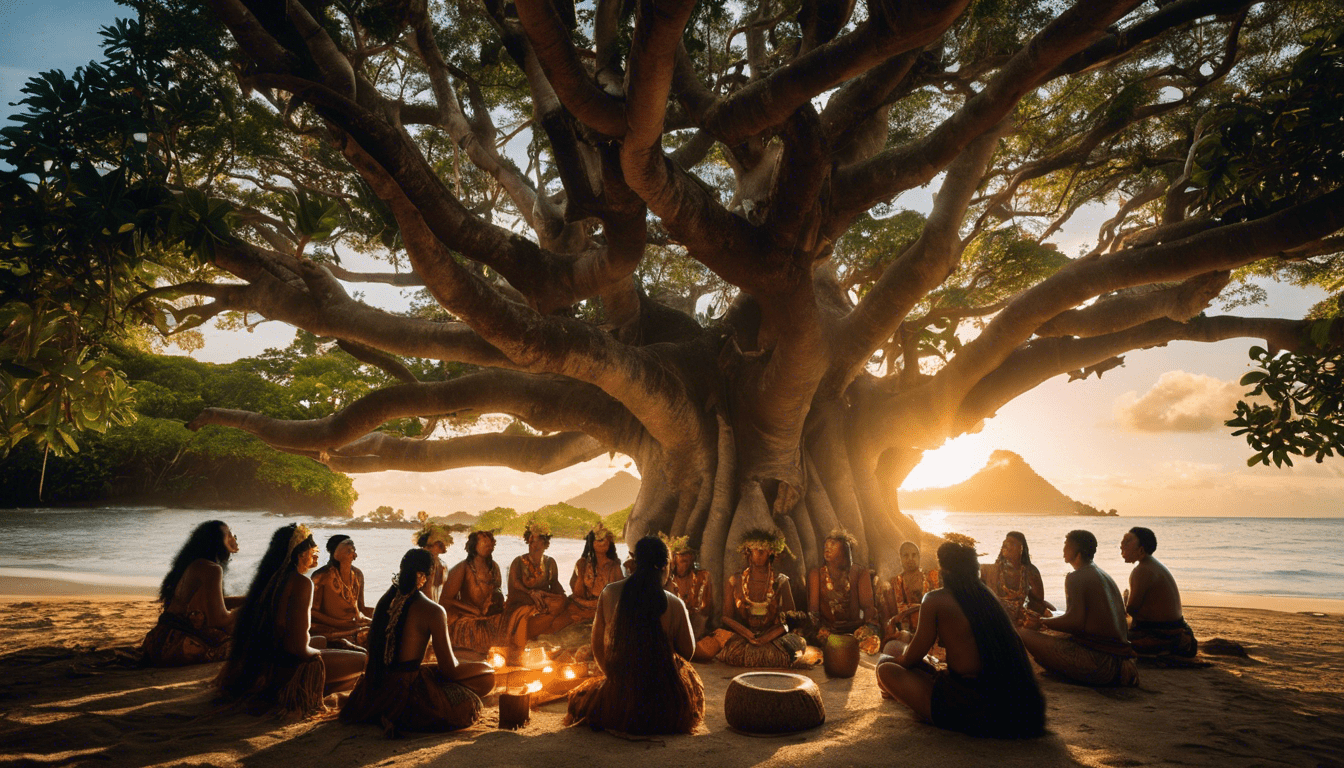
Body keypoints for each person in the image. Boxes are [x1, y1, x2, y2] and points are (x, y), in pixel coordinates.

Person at [876, 539, 1046, 739]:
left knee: (885, 668)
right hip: (1013, 705)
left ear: (944, 571)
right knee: (922, 670)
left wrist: (891, 669)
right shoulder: (988, 597)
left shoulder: (935, 599)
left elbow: (910, 658)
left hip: (970, 704)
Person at [341, 549, 495, 736]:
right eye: (436, 576)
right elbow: (449, 669)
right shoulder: (433, 610)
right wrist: (483, 667)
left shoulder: (384, 601)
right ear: (425, 577)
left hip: (373, 690)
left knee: (429, 670)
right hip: (406, 696)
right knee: (485, 679)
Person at [217, 524, 367, 717]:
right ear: (300, 554)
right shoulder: (302, 583)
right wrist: (324, 652)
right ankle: (311, 690)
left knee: (323, 640)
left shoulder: (274, 579)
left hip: (265, 661)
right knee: (363, 660)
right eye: (312, 549)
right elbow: (300, 648)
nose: (316, 553)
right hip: (286, 668)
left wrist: (332, 643)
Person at [566, 536, 705, 734]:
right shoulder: (674, 603)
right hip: (663, 702)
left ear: (634, 562)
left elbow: (598, 647)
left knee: (581, 701)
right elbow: (688, 652)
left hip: (619, 695)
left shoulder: (609, 593)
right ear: (666, 566)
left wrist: (614, 680)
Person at [1018, 529, 1139, 687]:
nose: (1063, 549)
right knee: (1047, 630)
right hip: (1121, 661)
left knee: (1023, 634)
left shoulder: (1076, 577)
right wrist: (1049, 619)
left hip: (1101, 664)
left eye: (1067, 545)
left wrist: (1042, 622)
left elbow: (1075, 622)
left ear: (1078, 552)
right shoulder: (1102, 574)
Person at [141, 520, 241, 666]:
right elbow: (218, 619)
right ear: (216, 542)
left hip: (157, 640)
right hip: (178, 644)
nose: (234, 538)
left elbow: (213, 602)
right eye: (229, 535)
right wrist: (243, 611)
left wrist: (251, 598)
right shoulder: (212, 569)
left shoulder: (197, 564)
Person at [713, 528, 806, 667]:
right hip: (745, 637)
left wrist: (767, 638)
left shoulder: (781, 581)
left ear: (771, 552)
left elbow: (791, 620)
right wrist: (748, 635)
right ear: (748, 551)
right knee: (727, 648)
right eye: (755, 549)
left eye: (764, 550)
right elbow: (726, 617)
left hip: (773, 638)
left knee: (795, 647)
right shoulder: (735, 580)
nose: (760, 553)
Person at [439, 530, 530, 654]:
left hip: (489, 616)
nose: (488, 544)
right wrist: (473, 610)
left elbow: (496, 592)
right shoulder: (463, 568)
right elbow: (445, 599)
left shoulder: (494, 567)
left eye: (490, 541)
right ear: (473, 545)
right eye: (484, 541)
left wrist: (497, 603)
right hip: (468, 619)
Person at [1121, 526, 1198, 657]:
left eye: (1128, 541)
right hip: (1179, 632)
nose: (1122, 545)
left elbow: (1132, 609)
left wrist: (1121, 603)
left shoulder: (1142, 570)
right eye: (1123, 540)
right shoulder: (1150, 564)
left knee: (1106, 637)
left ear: (1141, 550)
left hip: (1167, 637)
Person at [806, 529, 880, 654]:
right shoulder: (816, 574)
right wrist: (823, 629)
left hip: (854, 631)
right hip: (829, 632)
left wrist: (857, 625)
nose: (828, 548)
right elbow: (814, 613)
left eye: (833, 544)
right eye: (827, 545)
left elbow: (868, 609)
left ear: (846, 550)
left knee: (870, 639)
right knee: (822, 640)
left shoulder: (860, 573)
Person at [505, 518, 573, 639]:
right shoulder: (518, 561)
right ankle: (537, 630)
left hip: (543, 597)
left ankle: (544, 627)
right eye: (531, 542)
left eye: (538, 542)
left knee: (561, 603)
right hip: (523, 597)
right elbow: (515, 583)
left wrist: (562, 597)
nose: (534, 545)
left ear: (545, 544)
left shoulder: (549, 562)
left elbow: (554, 583)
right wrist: (530, 593)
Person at [310, 535, 372, 647]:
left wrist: (384, 614)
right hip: (333, 630)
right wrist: (341, 624)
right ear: (336, 553)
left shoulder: (357, 574)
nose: (354, 555)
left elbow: (360, 608)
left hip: (355, 626)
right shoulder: (320, 577)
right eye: (349, 551)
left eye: (354, 551)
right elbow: (312, 612)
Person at [982, 531, 1054, 626]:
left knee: (1049, 609)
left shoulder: (1030, 571)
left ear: (1021, 548)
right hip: (997, 613)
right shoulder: (990, 570)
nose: (1007, 545)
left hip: (1019, 615)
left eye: (1012, 543)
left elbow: (1039, 598)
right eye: (1005, 542)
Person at [568, 524, 625, 624]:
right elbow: (577, 593)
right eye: (600, 540)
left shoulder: (614, 566)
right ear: (592, 544)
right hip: (583, 605)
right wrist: (581, 575)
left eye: (608, 540)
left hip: (604, 608)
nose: (606, 542)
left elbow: (617, 596)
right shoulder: (582, 564)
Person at [661, 533, 713, 640]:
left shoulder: (702, 577)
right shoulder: (665, 581)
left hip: (696, 630)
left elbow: (706, 610)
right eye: (683, 561)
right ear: (673, 559)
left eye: (689, 561)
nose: (686, 564)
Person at [882, 541, 929, 648]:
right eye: (906, 556)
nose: (910, 559)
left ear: (919, 557)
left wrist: (915, 608)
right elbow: (900, 608)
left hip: (930, 629)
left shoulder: (929, 578)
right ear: (900, 559)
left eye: (914, 555)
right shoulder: (896, 581)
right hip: (907, 631)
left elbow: (933, 605)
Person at [413, 516, 453, 602]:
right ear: (431, 545)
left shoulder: (441, 564)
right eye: (441, 542)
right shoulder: (422, 561)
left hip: (434, 607)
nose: (446, 544)